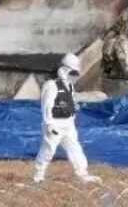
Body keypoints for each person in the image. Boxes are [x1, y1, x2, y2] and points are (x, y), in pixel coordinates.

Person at [32, 53, 101, 184]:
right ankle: (38, 177)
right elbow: (47, 105)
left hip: (68, 124)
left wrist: (72, 114)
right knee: (48, 150)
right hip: (55, 124)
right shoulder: (51, 85)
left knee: (75, 148)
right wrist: (49, 124)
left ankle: (83, 175)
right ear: (63, 69)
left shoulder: (69, 85)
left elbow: (70, 100)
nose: (72, 76)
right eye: (70, 72)